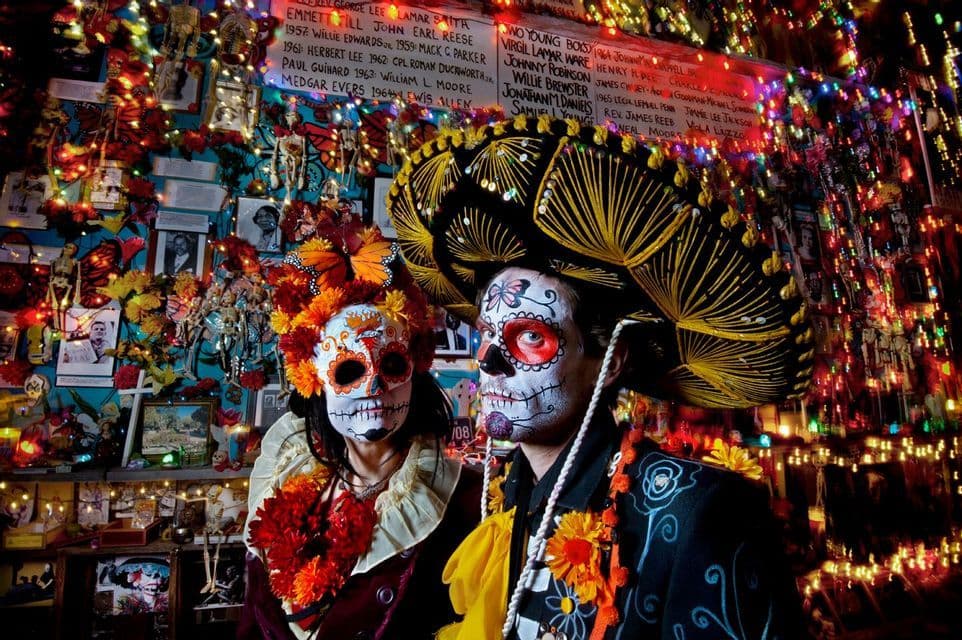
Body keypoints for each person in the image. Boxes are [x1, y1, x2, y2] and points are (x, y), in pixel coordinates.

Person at [386, 115, 811, 639]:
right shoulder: (499, 493)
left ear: (608, 363)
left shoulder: (701, 510)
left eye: (530, 337)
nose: (489, 363)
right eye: (486, 336)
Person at [240, 213, 481, 639]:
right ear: (313, 379)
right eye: (349, 370)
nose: (373, 387)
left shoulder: (460, 500)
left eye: (391, 364)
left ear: (415, 370)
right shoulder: (287, 477)